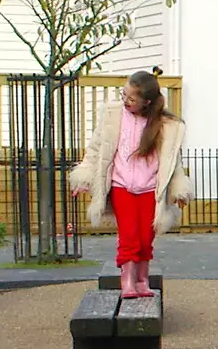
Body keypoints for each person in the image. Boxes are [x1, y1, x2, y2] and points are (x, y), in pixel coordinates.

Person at [69, 70, 193, 298]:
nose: (125, 101)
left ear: (146, 102)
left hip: (149, 187)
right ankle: (127, 281)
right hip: (121, 185)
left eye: (131, 99)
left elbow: (173, 162)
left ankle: (143, 281)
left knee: (146, 237)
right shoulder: (112, 115)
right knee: (129, 236)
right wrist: (85, 177)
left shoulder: (166, 126)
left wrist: (179, 190)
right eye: (123, 94)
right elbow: (96, 148)